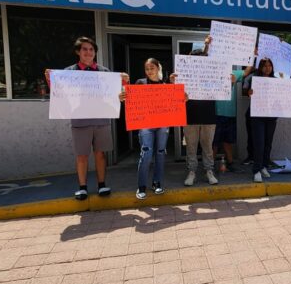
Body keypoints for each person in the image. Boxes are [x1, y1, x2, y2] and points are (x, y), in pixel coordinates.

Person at [45, 37, 128, 201]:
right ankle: (82, 187)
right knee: (82, 156)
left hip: (101, 121)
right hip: (80, 120)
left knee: (100, 155)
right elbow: (59, 94)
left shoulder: (105, 73)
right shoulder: (69, 72)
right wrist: (50, 79)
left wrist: (122, 89)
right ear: (78, 52)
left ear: (95, 52)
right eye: (85, 49)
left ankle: (102, 184)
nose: (88, 52)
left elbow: (115, 96)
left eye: (91, 49)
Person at [179, 37, 219, 187]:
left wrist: (230, 81)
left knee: (208, 146)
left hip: (208, 116)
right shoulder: (183, 76)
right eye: (195, 60)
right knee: (191, 147)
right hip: (190, 116)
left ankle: (209, 171)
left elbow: (223, 86)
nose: (199, 64)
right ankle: (192, 172)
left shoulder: (213, 76)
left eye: (202, 60)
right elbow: (174, 97)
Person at [134, 58, 174, 199]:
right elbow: (132, 102)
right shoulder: (140, 83)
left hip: (163, 124)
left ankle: (157, 183)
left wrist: (183, 98)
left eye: (152, 68)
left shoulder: (166, 84)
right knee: (146, 153)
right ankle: (141, 186)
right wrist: (123, 95)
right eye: (147, 69)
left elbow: (174, 103)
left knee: (161, 153)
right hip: (145, 124)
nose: (149, 71)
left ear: (158, 68)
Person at [214, 53, 255, 173]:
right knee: (213, 142)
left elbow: (247, 71)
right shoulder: (211, 73)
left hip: (230, 114)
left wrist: (252, 56)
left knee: (228, 141)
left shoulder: (233, 73)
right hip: (214, 113)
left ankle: (230, 163)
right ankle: (209, 166)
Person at [244, 58, 278, 183]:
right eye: (265, 66)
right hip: (257, 116)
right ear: (260, 67)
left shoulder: (276, 81)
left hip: (271, 116)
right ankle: (256, 170)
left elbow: (282, 95)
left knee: (268, 144)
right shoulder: (254, 79)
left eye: (270, 65)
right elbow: (245, 90)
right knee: (259, 143)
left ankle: (264, 166)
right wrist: (249, 92)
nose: (267, 68)